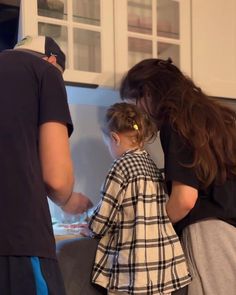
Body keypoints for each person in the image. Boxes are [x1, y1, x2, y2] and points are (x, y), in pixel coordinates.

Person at [119, 58, 236, 295]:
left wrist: (150, 230)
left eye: (136, 100)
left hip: (211, 232)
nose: (140, 110)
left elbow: (184, 199)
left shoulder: (177, 121)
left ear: (149, 92)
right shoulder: (217, 117)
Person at [0, 35, 92, 294]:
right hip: (16, 240)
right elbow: (57, 180)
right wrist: (69, 200)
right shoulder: (46, 73)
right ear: (52, 60)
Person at [87, 102, 191, 295]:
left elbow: (103, 218)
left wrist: (89, 226)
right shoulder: (151, 166)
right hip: (162, 265)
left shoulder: (120, 167)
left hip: (134, 268)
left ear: (114, 138)